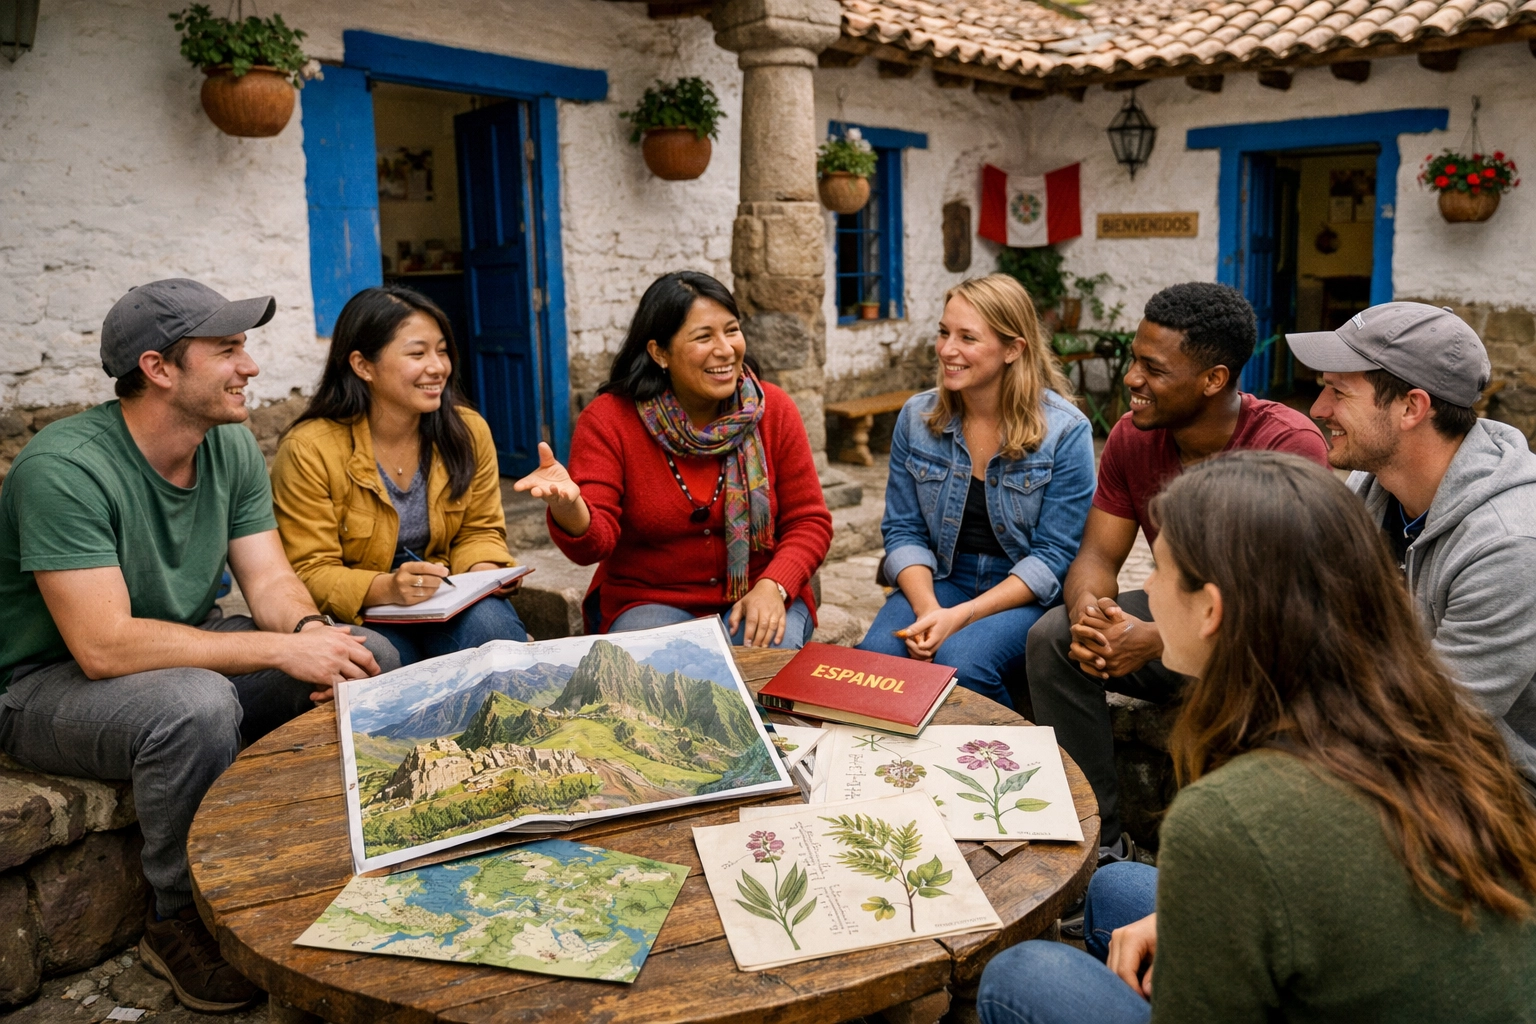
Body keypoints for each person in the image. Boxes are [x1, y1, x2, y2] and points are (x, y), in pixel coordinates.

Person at [978, 452, 1536, 1024]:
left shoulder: (1232, 814)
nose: (1146, 586)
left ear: (1212, 610)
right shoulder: (1420, 721)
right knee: (1117, 887)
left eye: (1163, 569)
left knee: (1022, 976)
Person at [0, 280, 399, 1013]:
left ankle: (311, 857)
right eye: (228, 349)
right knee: (194, 705)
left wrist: (313, 637)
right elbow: (103, 647)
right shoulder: (62, 470)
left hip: (182, 650)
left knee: (367, 653)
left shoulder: (230, 447)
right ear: (158, 369)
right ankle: (184, 919)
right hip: (43, 684)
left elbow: (272, 582)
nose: (250, 366)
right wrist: (278, 654)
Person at [1025, 282, 1329, 865]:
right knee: (1054, 639)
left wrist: (1156, 639)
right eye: (1135, 359)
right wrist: (1095, 615)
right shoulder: (1131, 438)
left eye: (1153, 368)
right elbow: (1096, 556)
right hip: (1177, 622)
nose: (1132, 379)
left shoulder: (1286, 446)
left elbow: (1282, 601)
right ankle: (1101, 846)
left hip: (1260, 644)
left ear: (1214, 379)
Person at [1291, 301, 1536, 788]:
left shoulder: (1509, 545)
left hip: (1494, 791)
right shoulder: (1372, 487)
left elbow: (1436, 726)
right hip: (1393, 744)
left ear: (1412, 407)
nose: (1317, 411)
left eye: (1338, 392)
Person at [516, 271, 831, 647]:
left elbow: (809, 521)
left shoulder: (772, 410)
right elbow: (594, 544)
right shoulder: (609, 420)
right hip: (651, 599)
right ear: (659, 352)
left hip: (757, 591)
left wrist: (774, 585)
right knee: (660, 685)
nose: (726, 349)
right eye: (703, 336)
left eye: (731, 330)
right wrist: (567, 505)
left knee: (758, 674)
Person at [855, 274, 1095, 709]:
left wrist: (960, 618)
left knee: (962, 665)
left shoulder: (1066, 431)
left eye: (968, 337)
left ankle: (1007, 757)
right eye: (944, 333)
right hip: (944, 577)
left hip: (1022, 590)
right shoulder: (917, 417)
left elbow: (1055, 556)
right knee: (876, 663)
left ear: (1013, 349)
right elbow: (903, 529)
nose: (948, 350)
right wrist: (930, 609)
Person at [270, 286, 528, 665]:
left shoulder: (467, 431)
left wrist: (482, 576)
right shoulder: (309, 449)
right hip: (366, 610)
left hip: (445, 600)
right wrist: (387, 587)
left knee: (493, 632)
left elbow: (480, 530)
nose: (438, 366)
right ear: (363, 365)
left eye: (441, 351)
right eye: (417, 353)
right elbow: (310, 569)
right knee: (388, 660)